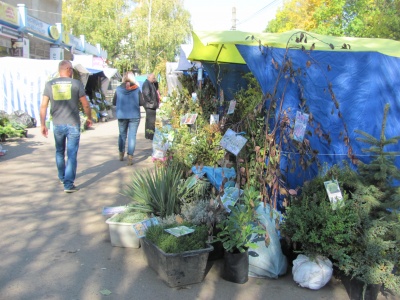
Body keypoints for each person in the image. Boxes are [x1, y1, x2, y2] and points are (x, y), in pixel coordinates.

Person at [40, 60, 93, 193]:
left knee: (59, 151)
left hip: (57, 124)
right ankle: (68, 184)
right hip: (73, 124)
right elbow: (85, 104)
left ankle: (62, 177)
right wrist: (89, 118)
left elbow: (44, 105)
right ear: (69, 69)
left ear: (59, 70)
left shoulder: (49, 85)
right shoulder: (76, 84)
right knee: (71, 154)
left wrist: (42, 124)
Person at [112, 71, 141, 165]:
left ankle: (121, 153)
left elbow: (113, 102)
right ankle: (130, 157)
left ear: (123, 78)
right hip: (134, 115)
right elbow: (141, 102)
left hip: (122, 115)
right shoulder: (136, 89)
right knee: (132, 136)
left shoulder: (118, 89)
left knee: (122, 134)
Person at [142, 73, 159, 140]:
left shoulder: (151, 84)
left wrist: (156, 82)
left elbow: (156, 88)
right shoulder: (146, 84)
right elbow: (146, 94)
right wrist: (151, 101)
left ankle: (149, 134)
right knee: (151, 121)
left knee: (150, 121)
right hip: (150, 105)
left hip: (151, 105)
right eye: (153, 78)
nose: (154, 79)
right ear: (149, 77)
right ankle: (150, 135)